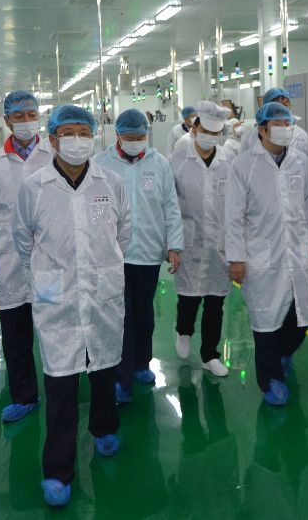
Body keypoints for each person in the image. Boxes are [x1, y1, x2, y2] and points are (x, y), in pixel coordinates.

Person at [12, 105, 131, 507]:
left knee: (103, 369)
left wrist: (103, 268)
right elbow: (22, 240)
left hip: (101, 293)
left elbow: (124, 232)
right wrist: (49, 275)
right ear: (52, 139)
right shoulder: (34, 187)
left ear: (93, 136)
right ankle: (58, 471)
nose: (78, 139)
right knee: (61, 384)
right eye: (68, 133)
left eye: (84, 131)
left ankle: (104, 428)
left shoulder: (111, 182)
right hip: (57, 298)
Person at [225, 102, 308, 406]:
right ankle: (270, 380)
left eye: (287, 123)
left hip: (296, 250)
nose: (284, 129)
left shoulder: (299, 161)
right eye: (277, 124)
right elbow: (233, 216)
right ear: (262, 130)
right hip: (260, 254)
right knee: (265, 319)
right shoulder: (243, 166)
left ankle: (283, 352)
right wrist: (236, 257)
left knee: (300, 318)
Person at [94, 108, 183, 404]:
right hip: (114, 255)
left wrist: (174, 245)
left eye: (139, 136)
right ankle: (122, 378)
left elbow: (171, 207)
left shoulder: (159, 164)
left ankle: (142, 363)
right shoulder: (102, 163)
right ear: (118, 136)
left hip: (148, 252)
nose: (135, 142)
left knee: (144, 314)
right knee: (122, 316)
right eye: (129, 137)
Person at [0, 90, 54, 423]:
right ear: (7, 120)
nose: (26, 121)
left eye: (31, 115)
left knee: (56, 326)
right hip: (9, 256)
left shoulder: (54, 154)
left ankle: (63, 386)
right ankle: (24, 395)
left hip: (52, 254)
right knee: (15, 331)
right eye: (19, 116)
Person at [170, 101, 234, 377]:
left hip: (220, 240)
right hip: (189, 239)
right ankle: (183, 331)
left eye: (215, 133)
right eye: (205, 131)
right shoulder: (178, 160)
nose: (209, 137)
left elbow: (238, 203)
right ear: (194, 129)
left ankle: (210, 354)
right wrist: (171, 243)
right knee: (189, 298)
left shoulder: (229, 161)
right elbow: (169, 203)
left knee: (215, 301)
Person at [238, 88, 308, 157]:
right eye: (276, 107)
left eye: (285, 105)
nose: (282, 111)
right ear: (265, 109)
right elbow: (243, 162)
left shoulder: (300, 136)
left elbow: (304, 163)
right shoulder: (250, 137)